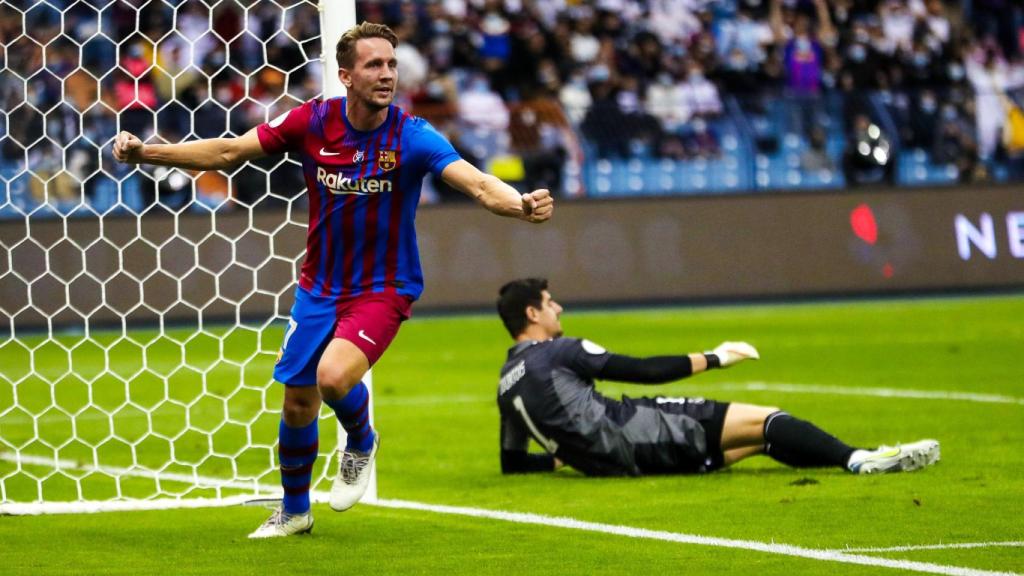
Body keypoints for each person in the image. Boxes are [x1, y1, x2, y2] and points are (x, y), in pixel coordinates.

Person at [113, 22, 554, 538]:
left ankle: (362, 441)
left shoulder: (412, 135)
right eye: (374, 65)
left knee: (332, 377)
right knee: (297, 402)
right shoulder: (312, 122)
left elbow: (476, 183)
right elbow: (229, 152)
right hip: (319, 287)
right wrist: (147, 153)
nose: (387, 74)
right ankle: (295, 511)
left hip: (383, 288)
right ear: (345, 75)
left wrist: (519, 204)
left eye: (391, 64)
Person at [495, 278, 939, 477]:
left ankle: (850, 459)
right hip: (636, 433)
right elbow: (644, 370)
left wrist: (565, 458)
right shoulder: (558, 352)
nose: (559, 309)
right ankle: (860, 459)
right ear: (533, 313)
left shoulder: (506, 381)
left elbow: (512, 463)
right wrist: (715, 357)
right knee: (767, 419)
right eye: (551, 303)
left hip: (606, 463)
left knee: (761, 444)